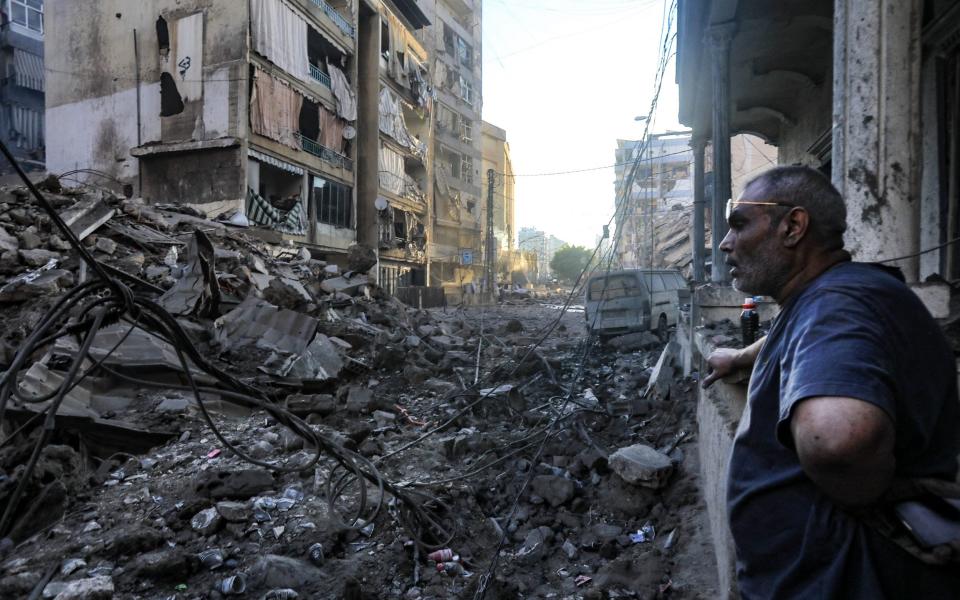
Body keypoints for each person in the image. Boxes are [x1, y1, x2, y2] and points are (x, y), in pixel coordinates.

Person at [702, 166, 960, 598]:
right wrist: (743, 355)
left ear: (793, 227)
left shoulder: (835, 304)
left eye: (739, 224)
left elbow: (837, 440)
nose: (726, 243)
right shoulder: (834, 296)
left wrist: (863, 498)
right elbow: (804, 336)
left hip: (841, 577)